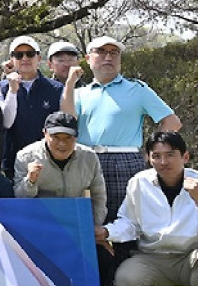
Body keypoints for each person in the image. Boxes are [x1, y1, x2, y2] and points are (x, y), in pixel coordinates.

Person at [63, 35, 181, 228]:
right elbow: (68, 121)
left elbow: (172, 122)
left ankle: (126, 259)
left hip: (124, 160)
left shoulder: (138, 89)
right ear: (88, 58)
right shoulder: (80, 93)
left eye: (114, 53)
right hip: (84, 159)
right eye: (101, 52)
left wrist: (149, 151)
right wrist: (69, 84)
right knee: (84, 219)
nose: (108, 57)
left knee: (124, 220)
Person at [13, 112, 120, 286]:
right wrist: (31, 180)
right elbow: (20, 200)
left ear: (76, 138)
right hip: (40, 229)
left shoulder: (89, 157)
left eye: (68, 138)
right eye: (56, 137)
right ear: (45, 134)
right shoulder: (25, 156)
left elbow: (99, 195)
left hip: (76, 227)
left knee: (104, 256)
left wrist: (93, 229)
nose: (62, 144)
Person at [98, 132, 198, 286]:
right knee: (125, 280)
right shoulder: (139, 182)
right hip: (154, 257)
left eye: (170, 155)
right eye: (157, 156)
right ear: (148, 158)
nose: (163, 162)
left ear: (185, 157)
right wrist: (108, 231)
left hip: (191, 257)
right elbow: (129, 223)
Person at [0, 36, 62, 178]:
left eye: (30, 54)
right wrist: (12, 91)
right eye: (19, 55)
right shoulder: (0, 88)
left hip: (49, 162)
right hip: (12, 163)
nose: (25, 58)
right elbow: (6, 122)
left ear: (39, 58)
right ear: (12, 60)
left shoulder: (56, 89)